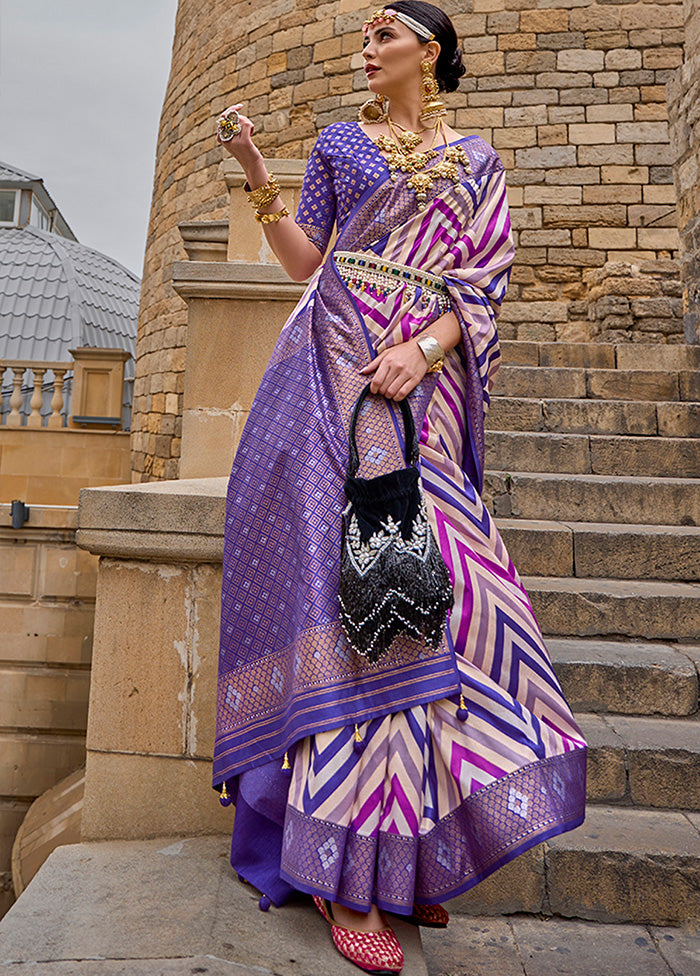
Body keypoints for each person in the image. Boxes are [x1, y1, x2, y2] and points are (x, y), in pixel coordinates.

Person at [212, 4, 587, 973]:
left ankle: (414, 851)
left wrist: (420, 352)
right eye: (363, 37)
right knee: (363, 601)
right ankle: (348, 872)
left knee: (450, 597)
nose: (366, 49)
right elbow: (311, 261)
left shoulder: (476, 160)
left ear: (430, 50)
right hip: (332, 371)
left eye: (385, 35)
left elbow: (484, 282)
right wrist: (261, 178)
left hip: (422, 384)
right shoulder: (342, 142)